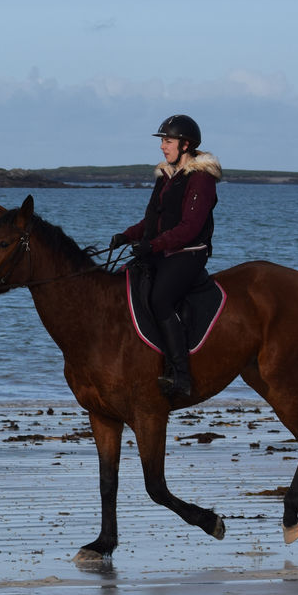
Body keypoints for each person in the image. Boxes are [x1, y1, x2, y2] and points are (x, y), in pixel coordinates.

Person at [109, 114, 221, 399]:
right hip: (162, 250)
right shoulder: (166, 176)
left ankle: (181, 376)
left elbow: (189, 228)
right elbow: (153, 220)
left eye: (167, 141)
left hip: (188, 253)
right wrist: (128, 235)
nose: (162, 147)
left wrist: (153, 245)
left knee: (160, 299)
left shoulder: (201, 179)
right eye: (162, 142)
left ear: (185, 145)